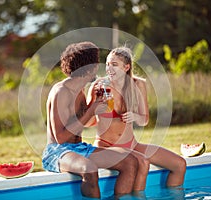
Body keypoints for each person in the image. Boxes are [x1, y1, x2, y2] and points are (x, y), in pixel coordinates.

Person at [42, 42, 148, 199]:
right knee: (89, 169)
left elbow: (85, 122)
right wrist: (92, 110)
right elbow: (61, 138)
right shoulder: (61, 92)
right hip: (57, 151)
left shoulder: (80, 92)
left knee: (130, 162)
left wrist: (97, 104)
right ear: (88, 67)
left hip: (79, 148)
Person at [87, 46, 186, 187]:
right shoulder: (99, 87)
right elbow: (87, 123)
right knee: (142, 162)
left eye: (114, 65)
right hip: (106, 147)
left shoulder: (138, 84)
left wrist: (134, 116)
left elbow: (144, 120)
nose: (109, 69)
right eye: (108, 64)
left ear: (126, 67)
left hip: (131, 145)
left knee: (180, 164)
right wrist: (93, 102)